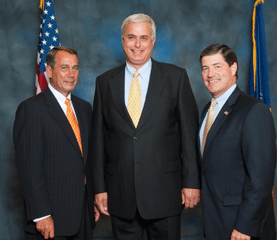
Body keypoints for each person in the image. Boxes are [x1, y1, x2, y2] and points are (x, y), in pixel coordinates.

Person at [92, 13, 200, 239]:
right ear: (123, 41)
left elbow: (189, 135)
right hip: (120, 195)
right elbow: (99, 140)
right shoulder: (104, 82)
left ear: (153, 41)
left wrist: (192, 182)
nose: (137, 44)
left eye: (143, 37)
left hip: (166, 193)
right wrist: (100, 188)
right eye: (131, 37)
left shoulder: (176, 77)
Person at [13, 46, 98, 240]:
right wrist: (41, 214)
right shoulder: (31, 109)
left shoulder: (84, 108)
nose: (71, 74)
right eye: (65, 67)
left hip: (83, 217)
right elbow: (29, 168)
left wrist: (91, 201)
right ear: (49, 71)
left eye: (75, 68)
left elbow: (86, 161)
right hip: (50, 220)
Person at [198, 43, 276, 240]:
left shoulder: (253, 110)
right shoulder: (207, 111)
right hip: (213, 219)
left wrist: (245, 227)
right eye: (205, 68)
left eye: (217, 66)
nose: (210, 74)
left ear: (233, 68)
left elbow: (261, 178)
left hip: (241, 226)